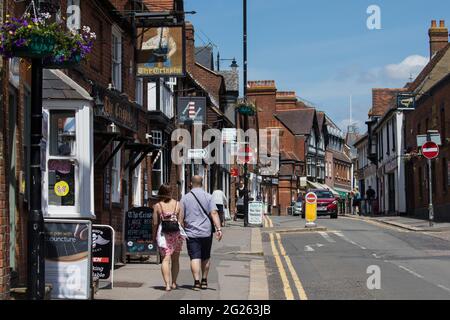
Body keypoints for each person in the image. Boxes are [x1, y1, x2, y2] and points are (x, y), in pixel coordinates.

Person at [181, 176, 223, 290]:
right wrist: (219, 229)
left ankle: (196, 282)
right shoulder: (209, 197)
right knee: (205, 257)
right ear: (202, 184)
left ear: (191, 183)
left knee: (194, 257)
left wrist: (181, 231)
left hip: (191, 233)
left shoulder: (185, 198)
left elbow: (181, 217)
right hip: (206, 232)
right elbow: (214, 213)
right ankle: (204, 280)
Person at [152, 184, 185, 292]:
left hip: (164, 235)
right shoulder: (178, 204)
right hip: (176, 234)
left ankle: (167, 285)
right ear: (170, 192)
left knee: (165, 259)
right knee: (175, 260)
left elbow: (155, 223)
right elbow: (181, 222)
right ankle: (174, 283)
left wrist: (153, 236)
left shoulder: (157, 206)